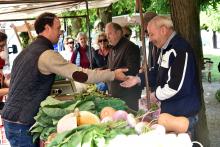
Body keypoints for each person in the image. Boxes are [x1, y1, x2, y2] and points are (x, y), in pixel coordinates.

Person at [1, 12, 128, 147]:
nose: (60, 32)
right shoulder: (46, 54)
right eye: (58, 28)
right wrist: (113, 74)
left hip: (12, 119)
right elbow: (81, 75)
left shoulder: (25, 52)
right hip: (22, 123)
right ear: (47, 28)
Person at [121, 16, 201, 138]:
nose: (150, 39)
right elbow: (156, 72)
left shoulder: (180, 49)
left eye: (152, 34)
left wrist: (155, 96)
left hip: (183, 116)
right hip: (171, 114)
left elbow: (175, 86)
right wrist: (138, 79)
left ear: (163, 30)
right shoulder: (165, 49)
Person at [105, 22, 141, 110]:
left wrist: (112, 73)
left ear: (118, 33)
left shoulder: (130, 47)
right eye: (106, 34)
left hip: (127, 97)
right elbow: (110, 67)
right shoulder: (112, 48)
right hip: (116, 96)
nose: (107, 37)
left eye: (109, 33)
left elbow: (132, 70)